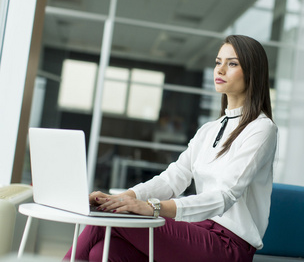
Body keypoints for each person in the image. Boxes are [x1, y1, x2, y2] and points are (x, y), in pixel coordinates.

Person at [64, 35, 278, 262]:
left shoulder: (262, 129)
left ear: (252, 73)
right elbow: (172, 179)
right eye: (218, 62)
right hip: (199, 229)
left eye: (232, 63)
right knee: (105, 251)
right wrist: (121, 198)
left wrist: (152, 207)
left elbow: (224, 196)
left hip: (229, 244)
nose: (220, 70)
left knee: (110, 216)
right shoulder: (209, 129)